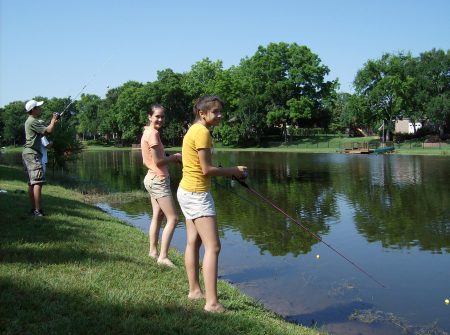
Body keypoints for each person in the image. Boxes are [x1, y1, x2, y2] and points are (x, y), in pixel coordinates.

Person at [177, 96, 247, 313]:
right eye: (215, 112)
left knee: (193, 243)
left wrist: (226, 172)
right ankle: (212, 303)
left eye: (220, 111)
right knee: (213, 246)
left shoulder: (193, 130)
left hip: (186, 190)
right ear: (202, 113)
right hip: (197, 194)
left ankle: (195, 291)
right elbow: (206, 170)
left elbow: (200, 165)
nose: (220, 115)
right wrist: (234, 171)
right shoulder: (203, 132)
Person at [141, 104, 182, 267]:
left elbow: (148, 160)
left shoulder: (146, 132)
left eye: (162, 117)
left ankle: (152, 251)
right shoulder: (154, 134)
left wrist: (168, 158)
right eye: (157, 116)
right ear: (149, 116)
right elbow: (158, 161)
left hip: (150, 178)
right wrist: (175, 157)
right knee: (174, 218)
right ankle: (163, 257)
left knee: (158, 215)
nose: (160, 119)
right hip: (158, 179)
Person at [22, 100, 58, 216]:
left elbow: (43, 132)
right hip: (32, 154)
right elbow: (49, 131)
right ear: (33, 110)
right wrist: (53, 121)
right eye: (38, 107)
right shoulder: (33, 121)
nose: (40, 109)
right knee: (37, 182)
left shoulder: (30, 121)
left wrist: (52, 122)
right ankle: (37, 210)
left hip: (27, 153)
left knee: (31, 183)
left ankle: (34, 209)